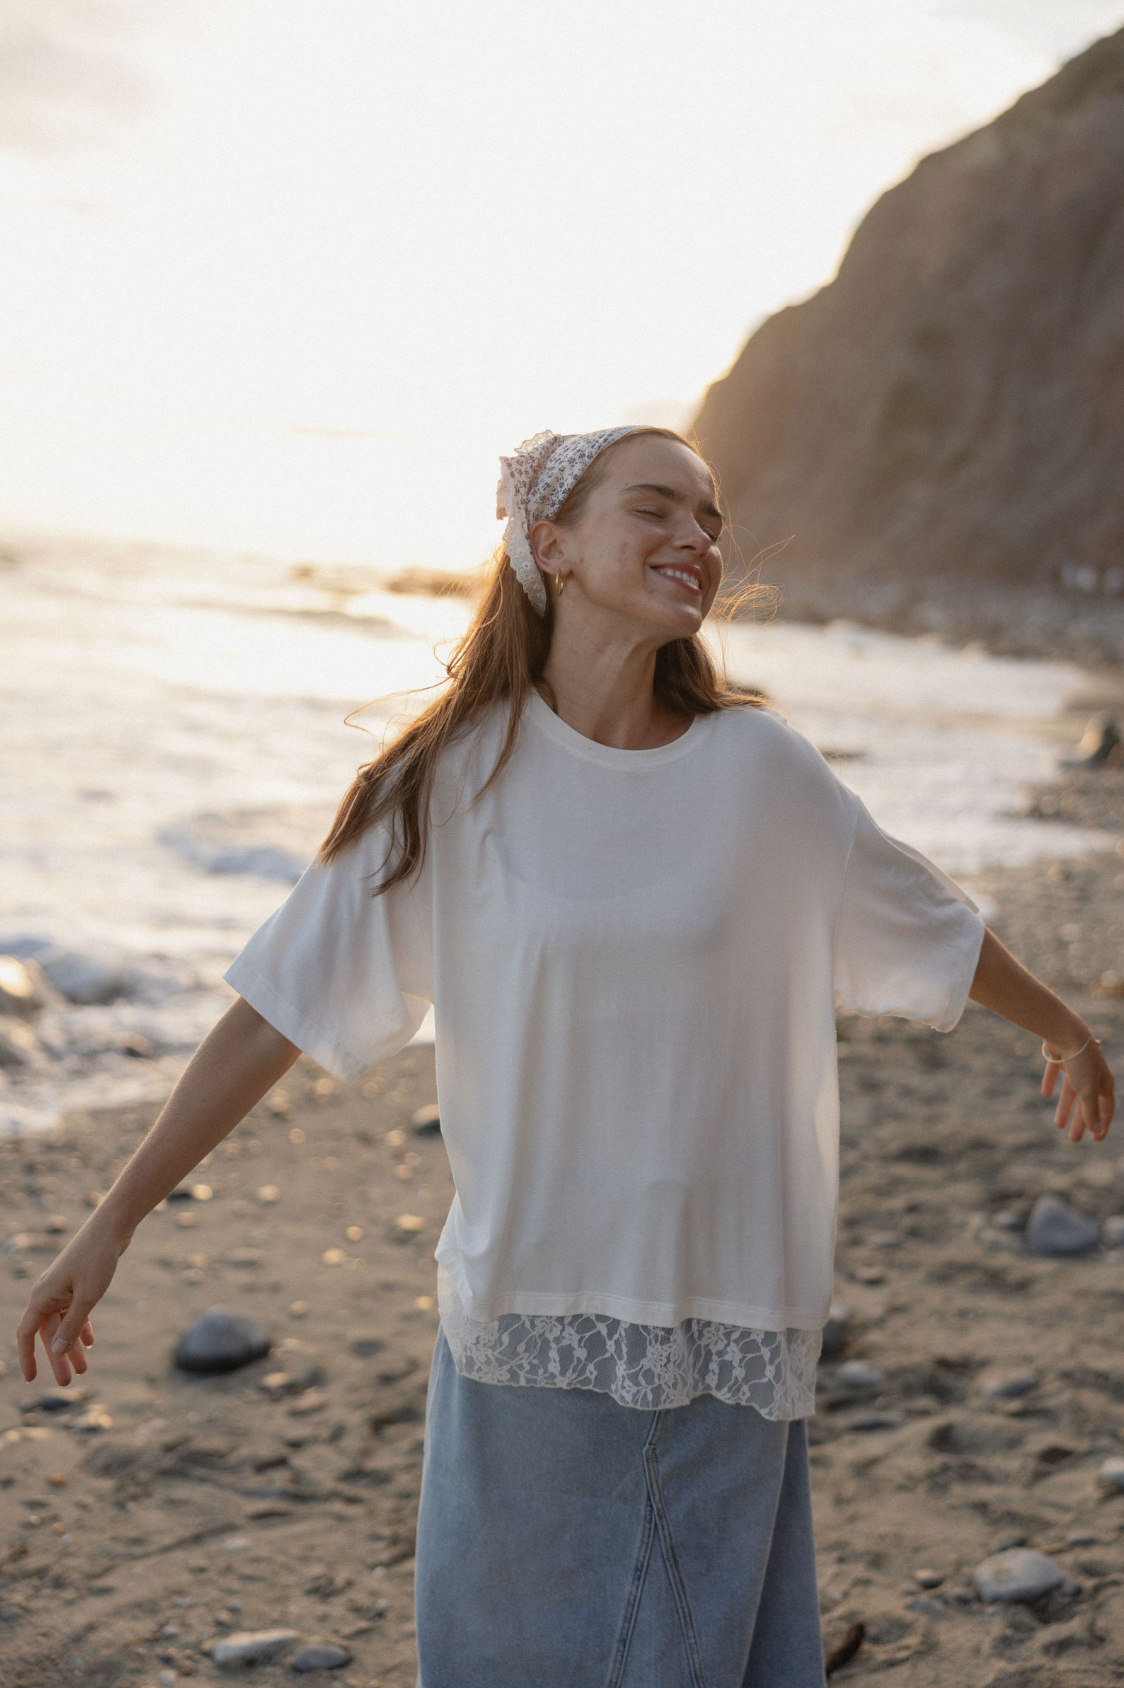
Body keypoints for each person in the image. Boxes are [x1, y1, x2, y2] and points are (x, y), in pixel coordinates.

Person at [16, 426, 1116, 1688]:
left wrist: (1064, 1027)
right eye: (655, 508)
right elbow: (277, 1005)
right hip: (528, 1317)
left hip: (723, 1315)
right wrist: (114, 1217)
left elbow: (922, 917)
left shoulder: (760, 771)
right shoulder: (449, 780)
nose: (695, 539)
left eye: (708, 519)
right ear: (549, 546)